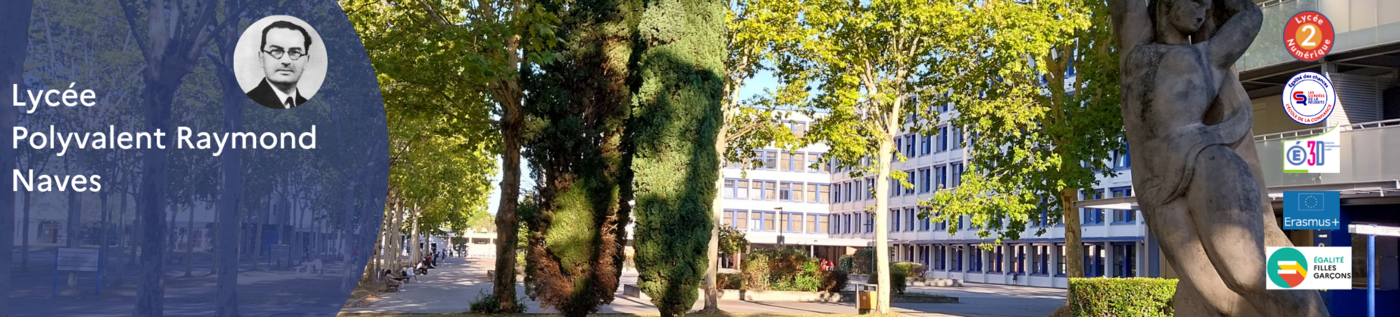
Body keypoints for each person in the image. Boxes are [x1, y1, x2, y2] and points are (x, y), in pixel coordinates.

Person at [1108, 0, 1327, 316]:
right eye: (1194, 2)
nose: (1201, 10)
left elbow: (1250, 15)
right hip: (1154, 185)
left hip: (1205, 163)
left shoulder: (1208, 57)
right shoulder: (1135, 53)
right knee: (1215, 293)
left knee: (1247, 274)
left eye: (1206, 5)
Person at [246, 20, 312, 109]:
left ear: (306, 61)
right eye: (276, 51)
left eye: (295, 52)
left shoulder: (310, 107)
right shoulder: (246, 103)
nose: (285, 61)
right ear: (261, 58)